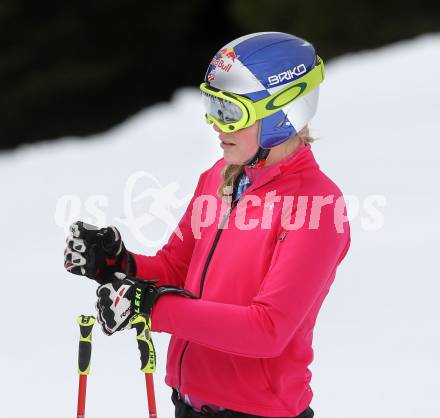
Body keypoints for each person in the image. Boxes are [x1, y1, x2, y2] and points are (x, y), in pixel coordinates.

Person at [64, 32, 351, 418]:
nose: (216, 125)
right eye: (212, 106)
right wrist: (119, 266)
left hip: (258, 412)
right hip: (187, 403)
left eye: (231, 112)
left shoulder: (317, 207)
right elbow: (176, 270)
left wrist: (150, 308)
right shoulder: (220, 177)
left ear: (283, 114)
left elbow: (267, 330)